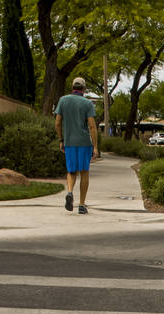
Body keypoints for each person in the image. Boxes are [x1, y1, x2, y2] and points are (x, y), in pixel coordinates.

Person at [54, 77, 101, 214]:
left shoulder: (63, 100)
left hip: (69, 142)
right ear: (84, 89)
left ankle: (69, 192)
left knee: (71, 171)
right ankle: (81, 204)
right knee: (84, 172)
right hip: (84, 143)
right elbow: (92, 126)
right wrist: (95, 147)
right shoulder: (87, 104)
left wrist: (61, 140)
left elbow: (57, 123)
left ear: (72, 87)